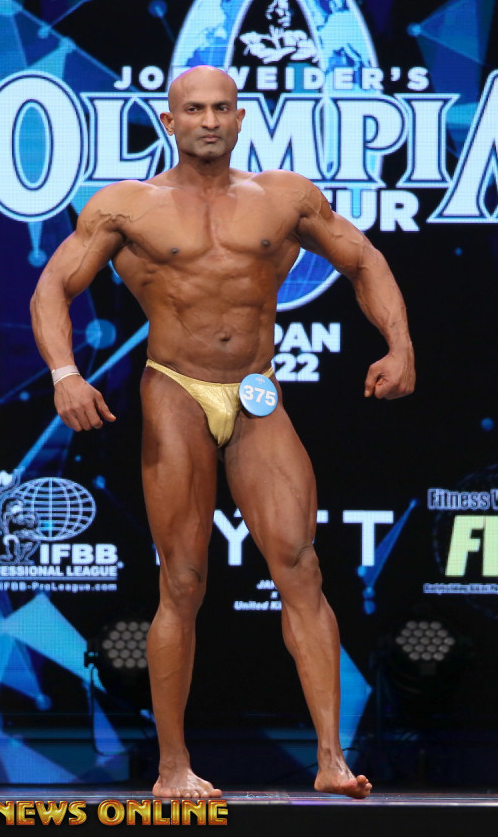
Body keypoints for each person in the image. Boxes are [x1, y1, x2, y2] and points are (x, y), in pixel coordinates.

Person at [30, 65, 415, 799]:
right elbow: (53, 286)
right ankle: (173, 767)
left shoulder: (283, 197)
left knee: (300, 565)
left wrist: (399, 345)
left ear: (241, 118)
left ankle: (331, 760)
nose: (208, 120)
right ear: (169, 121)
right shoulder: (126, 206)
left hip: (257, 390)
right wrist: (64, 374)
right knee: (182, 579)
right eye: (194, 109)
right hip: (175, 388)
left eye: (221, 108)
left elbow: (363, 259)